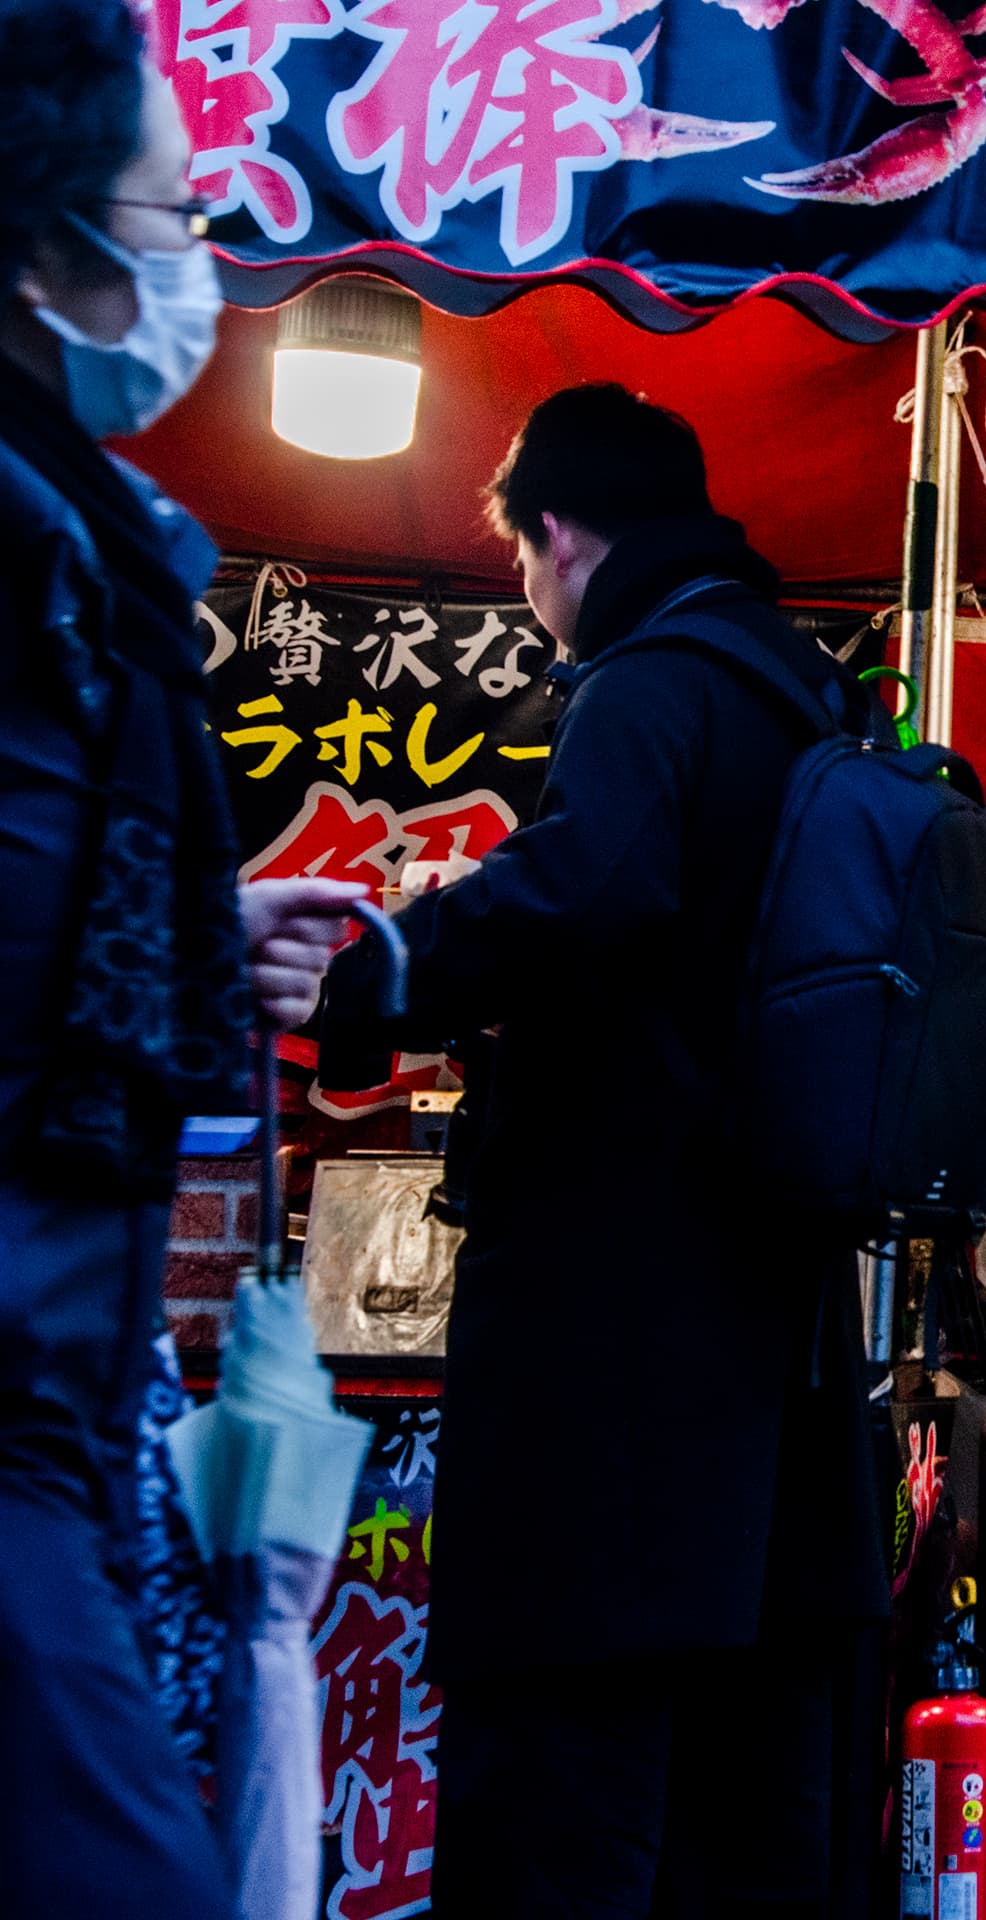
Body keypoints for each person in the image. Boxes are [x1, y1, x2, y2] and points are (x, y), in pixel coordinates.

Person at [315, 385, 887, 1917]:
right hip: (776, 1329)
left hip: (619, 1321)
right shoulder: (803, 689)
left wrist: (376, 958)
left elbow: (587, 894)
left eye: (520, 559)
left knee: (567, 1752)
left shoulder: (654, 682)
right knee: (745, 1775)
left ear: (559, 531)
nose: (530, 592)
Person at [0, 11, 364, 1917]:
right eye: (176, 211)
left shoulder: (70, 534)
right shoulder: (32, 541)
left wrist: (189, 939)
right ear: (43, 248)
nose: (197, 268)